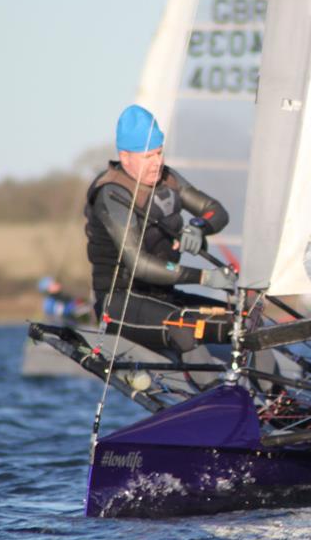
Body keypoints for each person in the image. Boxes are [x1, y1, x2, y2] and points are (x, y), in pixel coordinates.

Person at [85, 104, 237, 355]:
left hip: (164, 297)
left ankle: (264, 382)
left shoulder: (169, 180)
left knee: (242, 323)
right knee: (185, 329)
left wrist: (198, 227)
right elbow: (139, 264)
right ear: (125, 157)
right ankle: (206, 380)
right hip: (121, 302)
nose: (157, 163)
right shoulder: (112, 193)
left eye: (159, 153)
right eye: (148, 156)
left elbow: (216, 210)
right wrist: (204, 278)